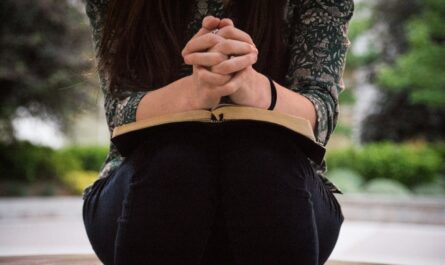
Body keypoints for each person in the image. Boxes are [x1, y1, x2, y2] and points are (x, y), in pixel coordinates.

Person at [82, 0, 354, 264]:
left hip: (282, 197)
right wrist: (193, 92)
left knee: (260, 160)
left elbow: (321, 115)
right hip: (145, 196)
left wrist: (253, 87)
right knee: (176, 161)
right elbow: (117, 113)